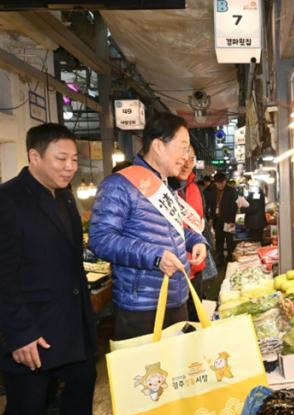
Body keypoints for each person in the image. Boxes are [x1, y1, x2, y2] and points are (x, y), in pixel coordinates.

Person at [0, 123, 97, 415]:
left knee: (80, 401)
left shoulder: (64, 196)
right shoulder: (1, 201)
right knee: (27, 413)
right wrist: (20, 334)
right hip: (32, 334)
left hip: (73, 328)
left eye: (74, 160)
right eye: (61, 159)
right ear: (34, 156)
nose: (70, 167)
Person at [88, 112, 207, 341]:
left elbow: (174, 229)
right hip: (141, 307)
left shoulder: (165, 186)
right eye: (183, 148)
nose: (186, 157)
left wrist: (196, 241)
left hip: (176, 298)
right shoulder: (119, 185)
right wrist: (155, 256)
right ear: (159, 146)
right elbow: (100, 239)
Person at [168, 145, 207, 322]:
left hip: (197, 266)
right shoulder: (163, 189)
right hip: (174, 269)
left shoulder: (194, 188)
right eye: (183, 159)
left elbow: (200, 224)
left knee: (197, 318)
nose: (187, 164)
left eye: (191, 159)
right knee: (180, 325)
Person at [205, 172, 238, 265]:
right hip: (218, 220)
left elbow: (235, 207)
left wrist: (232, 221)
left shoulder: (231, 191)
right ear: (215, 183)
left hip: (229, 221)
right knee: (219, 240)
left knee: (230, 241)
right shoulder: (212, 191)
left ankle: (230, 259)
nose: (220, 185)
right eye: (218, 183)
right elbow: (211, 206)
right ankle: (220, 259)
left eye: (222, 183)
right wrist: (211, 219)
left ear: (225, 181)